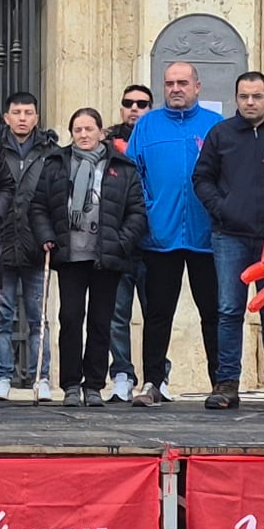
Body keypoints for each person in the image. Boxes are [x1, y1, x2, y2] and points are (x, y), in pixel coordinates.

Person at [191, 70, 264, 410]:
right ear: (236, 98)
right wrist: (222, 208)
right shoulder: (221, 134)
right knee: (228, 310)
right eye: (244, 96)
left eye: (257, 96)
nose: (250, 102)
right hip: (229, 237)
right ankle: (226, 384)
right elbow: (202, 179)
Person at [120, 61, 220, 403]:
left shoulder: (216, 126)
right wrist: (146, 211)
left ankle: (221, 383)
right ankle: (153, 383)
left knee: (214, 313)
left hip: (207, 237)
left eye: (182, 83)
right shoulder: (147, 125)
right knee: (158, 313)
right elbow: (132, 176)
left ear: (197, 86)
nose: (175, 88)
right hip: (159, 237)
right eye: (169, 83)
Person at [41, 107, 146, 407]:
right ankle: (71, 384)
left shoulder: (122, 167)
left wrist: (121, 242)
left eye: (89, 129)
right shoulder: (56, 164)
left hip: (107, 257)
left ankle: (94, 385)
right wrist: (48, 236)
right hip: (71, 254)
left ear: (101, 132)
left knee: (101, 321)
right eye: (78, 130)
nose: (84, 135)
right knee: (71, 319)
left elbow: (137, 212)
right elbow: (39, 205)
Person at [0, 92, 53, 399]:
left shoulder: (50, 151)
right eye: (16, 112)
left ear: (36, 117)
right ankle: (2, 376)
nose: (22, 118)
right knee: (1, 316)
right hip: (0, 243)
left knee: (38, 317)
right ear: (6, 117)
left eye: (28, 112)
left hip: (36, 245)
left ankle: (41, 377)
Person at [106, 82, 153, 398]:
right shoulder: (105, 144)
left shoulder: (157, 139)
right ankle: (121, 374)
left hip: (153, 242)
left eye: (142, 103)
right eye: (128, 102)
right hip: (118, 242)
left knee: (156, 314)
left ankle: (155, 375)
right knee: (115, 315)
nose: (134, 108)